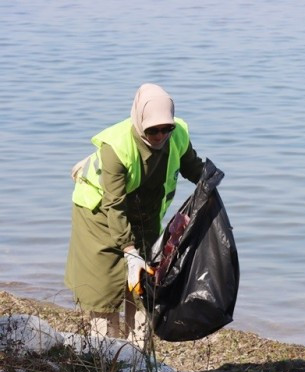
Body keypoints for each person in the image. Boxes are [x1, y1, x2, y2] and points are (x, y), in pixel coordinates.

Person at [65, 83, 207, 348]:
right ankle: (104, 357)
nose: (160, 135)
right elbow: (114, 205)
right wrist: (129, 251)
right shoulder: (116, 149)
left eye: (167, 128)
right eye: (153, 130)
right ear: (140, 121)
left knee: (145, 286)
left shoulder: (177, 136)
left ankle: (138, 358)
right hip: (98, 214)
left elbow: (193, 168)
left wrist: (210, 183)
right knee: (104, 288)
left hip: (145, 213)